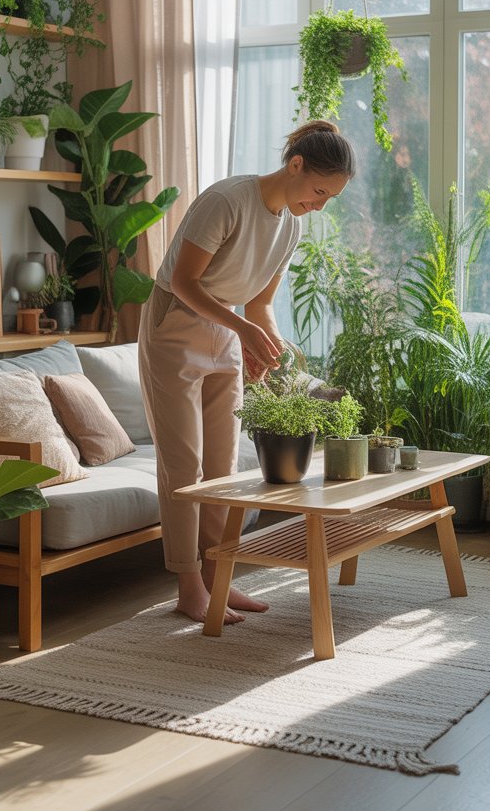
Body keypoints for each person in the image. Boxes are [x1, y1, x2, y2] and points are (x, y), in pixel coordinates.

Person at [138, 120, 356, 624]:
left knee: (223, 468)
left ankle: (219, 577)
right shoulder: (227, 200)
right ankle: (188, 585)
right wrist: (243, 329)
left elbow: (259, 305)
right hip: (176, 327)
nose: (320, 205)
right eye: (319, 192)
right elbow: (185, 282)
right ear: (295, 165)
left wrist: (269, 345)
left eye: (330, 198)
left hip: (227, 333)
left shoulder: (291, 226)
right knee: (184, 466)